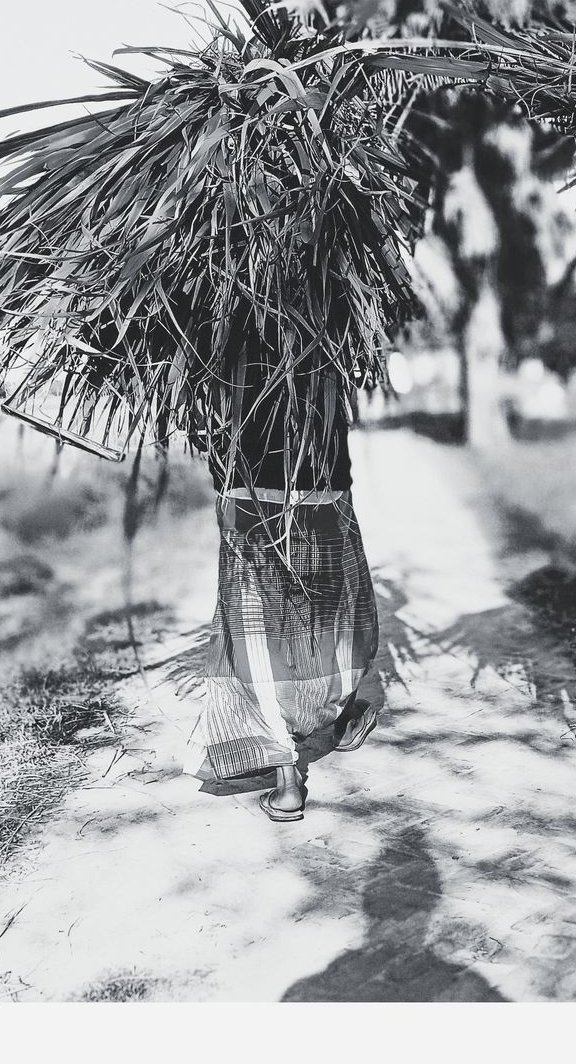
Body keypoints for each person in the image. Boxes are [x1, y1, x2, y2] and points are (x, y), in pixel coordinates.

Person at [183, 344, 380, 822]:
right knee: (335, 614)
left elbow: (197, 397)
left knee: (255, 634)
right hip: (323, 483)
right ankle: (340, 713)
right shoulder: (329, 287)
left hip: (247, 486)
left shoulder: (213, 307)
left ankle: (287, 778)